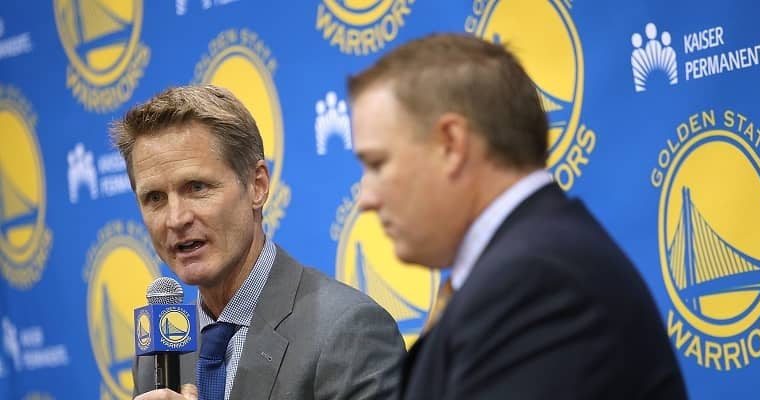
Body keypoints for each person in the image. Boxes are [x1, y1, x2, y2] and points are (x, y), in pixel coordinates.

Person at [347, 33, 688, 400]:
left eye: (377, 164)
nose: (366, 199)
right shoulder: (531, 266)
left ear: (451, 144)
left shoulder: (535, 281)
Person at [110, 85, 405, 400]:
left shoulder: (347, 332)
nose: (176, 218)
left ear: (257, 186)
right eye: (155, 198)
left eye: (197, 187)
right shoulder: (159, 358)